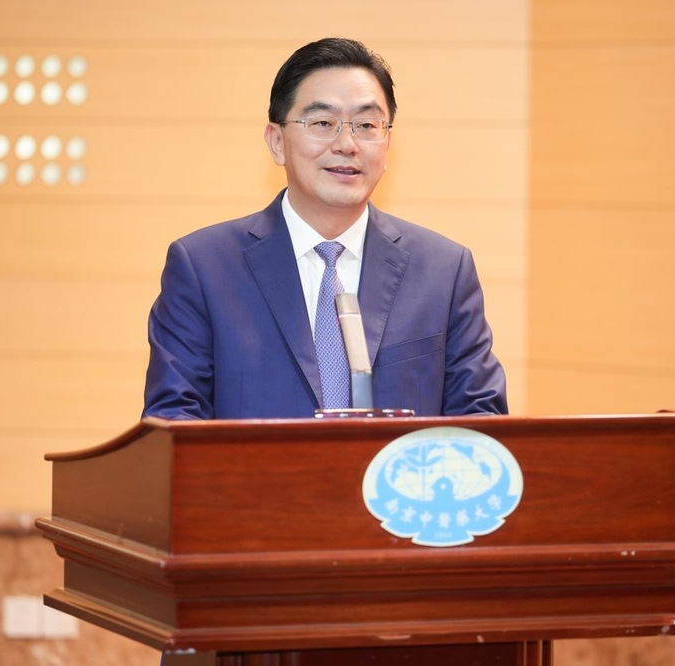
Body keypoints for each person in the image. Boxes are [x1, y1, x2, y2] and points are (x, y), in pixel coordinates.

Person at [143, 37, 507, 420]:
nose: (347, 144)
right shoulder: (204, 268)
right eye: (322, 123)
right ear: (277, 142)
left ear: (387, 143)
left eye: (367, 125)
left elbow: (480, 423)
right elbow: (173, 423)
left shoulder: (444, 272)